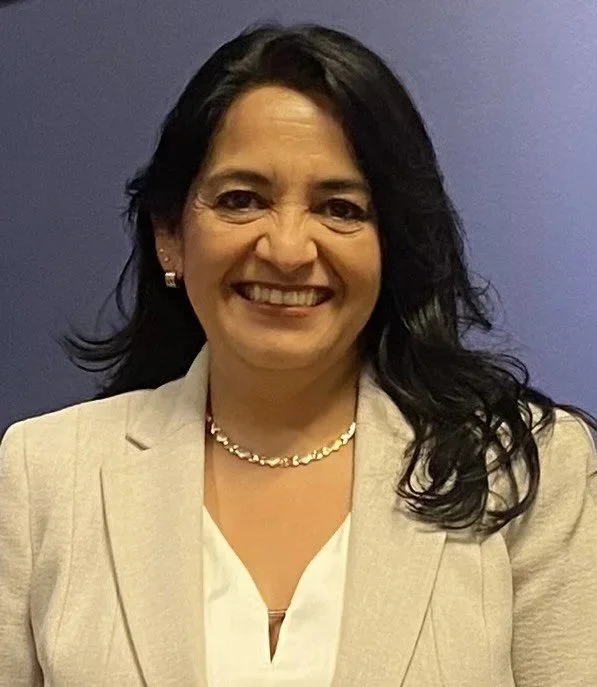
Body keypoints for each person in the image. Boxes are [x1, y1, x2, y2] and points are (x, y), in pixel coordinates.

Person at [1, 21, 596, 687]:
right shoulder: (44, 475)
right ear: (170, 234)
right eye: (241, 200)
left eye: (340, 208)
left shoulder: (523, 470)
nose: (286, 250)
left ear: (392, 242)